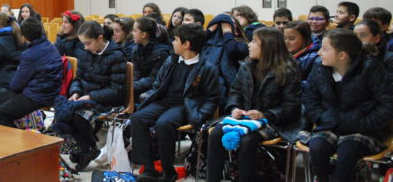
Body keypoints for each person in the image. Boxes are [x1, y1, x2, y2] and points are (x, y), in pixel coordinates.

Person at [206, 27, 302, 182]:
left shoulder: (288, 70)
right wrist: (233, 108)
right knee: (216, 133)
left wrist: (265, 114)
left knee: (247, 140)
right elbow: (235, 92)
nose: (248, 45)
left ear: (268, 46)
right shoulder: (247, 65)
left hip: (273, 121)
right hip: (246, 117)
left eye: (254, 41)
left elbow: (292, 107)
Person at [133, 23, 220, 182]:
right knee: (138, 118)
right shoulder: (171, 61)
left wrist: (200, 116)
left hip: (186, 106)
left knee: (163, 124)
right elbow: (157, 85)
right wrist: (147, 96)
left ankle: (168, 171)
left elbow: (212, 98)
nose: (172, 42)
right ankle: (149, 169)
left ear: (186, 45)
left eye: (176, 40)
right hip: (165, 102)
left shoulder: (207, 68)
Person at [303, 29, 392, 182]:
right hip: (330, 125)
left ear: (342, 55)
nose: (318, 53)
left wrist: (360, 123)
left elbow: (387, 105)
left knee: (347, 152)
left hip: (363, 129)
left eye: (325, 49)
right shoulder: (319, 66)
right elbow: (310, 99)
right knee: (317, 147)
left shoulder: (371, 68)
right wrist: (325, 118)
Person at [59, 21, 127, 171]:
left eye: (88, 43)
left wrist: (90, 97)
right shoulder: (85, 52)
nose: (85, 47)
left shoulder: (116, 55)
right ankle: (86, 148)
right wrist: (75, 92)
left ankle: (87, 149)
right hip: (88, 95)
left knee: (78, 116)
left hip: (108, 100)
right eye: (83, 43)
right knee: (62, 112)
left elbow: (116, 90)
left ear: (100, 38)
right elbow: (79, 78)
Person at [0, 18, 62, 128]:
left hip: (39, 96)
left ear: (23, 37)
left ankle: (18, 143)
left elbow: (16, 85)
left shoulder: (29, 55)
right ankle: (24, 129)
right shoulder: (51, 45)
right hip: (52, 91)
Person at [131, 16, 172, 99]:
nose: (132, 33)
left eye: (135, 31)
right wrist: (132, 84)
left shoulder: (161, 53)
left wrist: (133, 85)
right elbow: (136, 73)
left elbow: (154, 79)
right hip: (140, 86)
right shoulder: (135, 49)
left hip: (156, 91)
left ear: (143, 34)